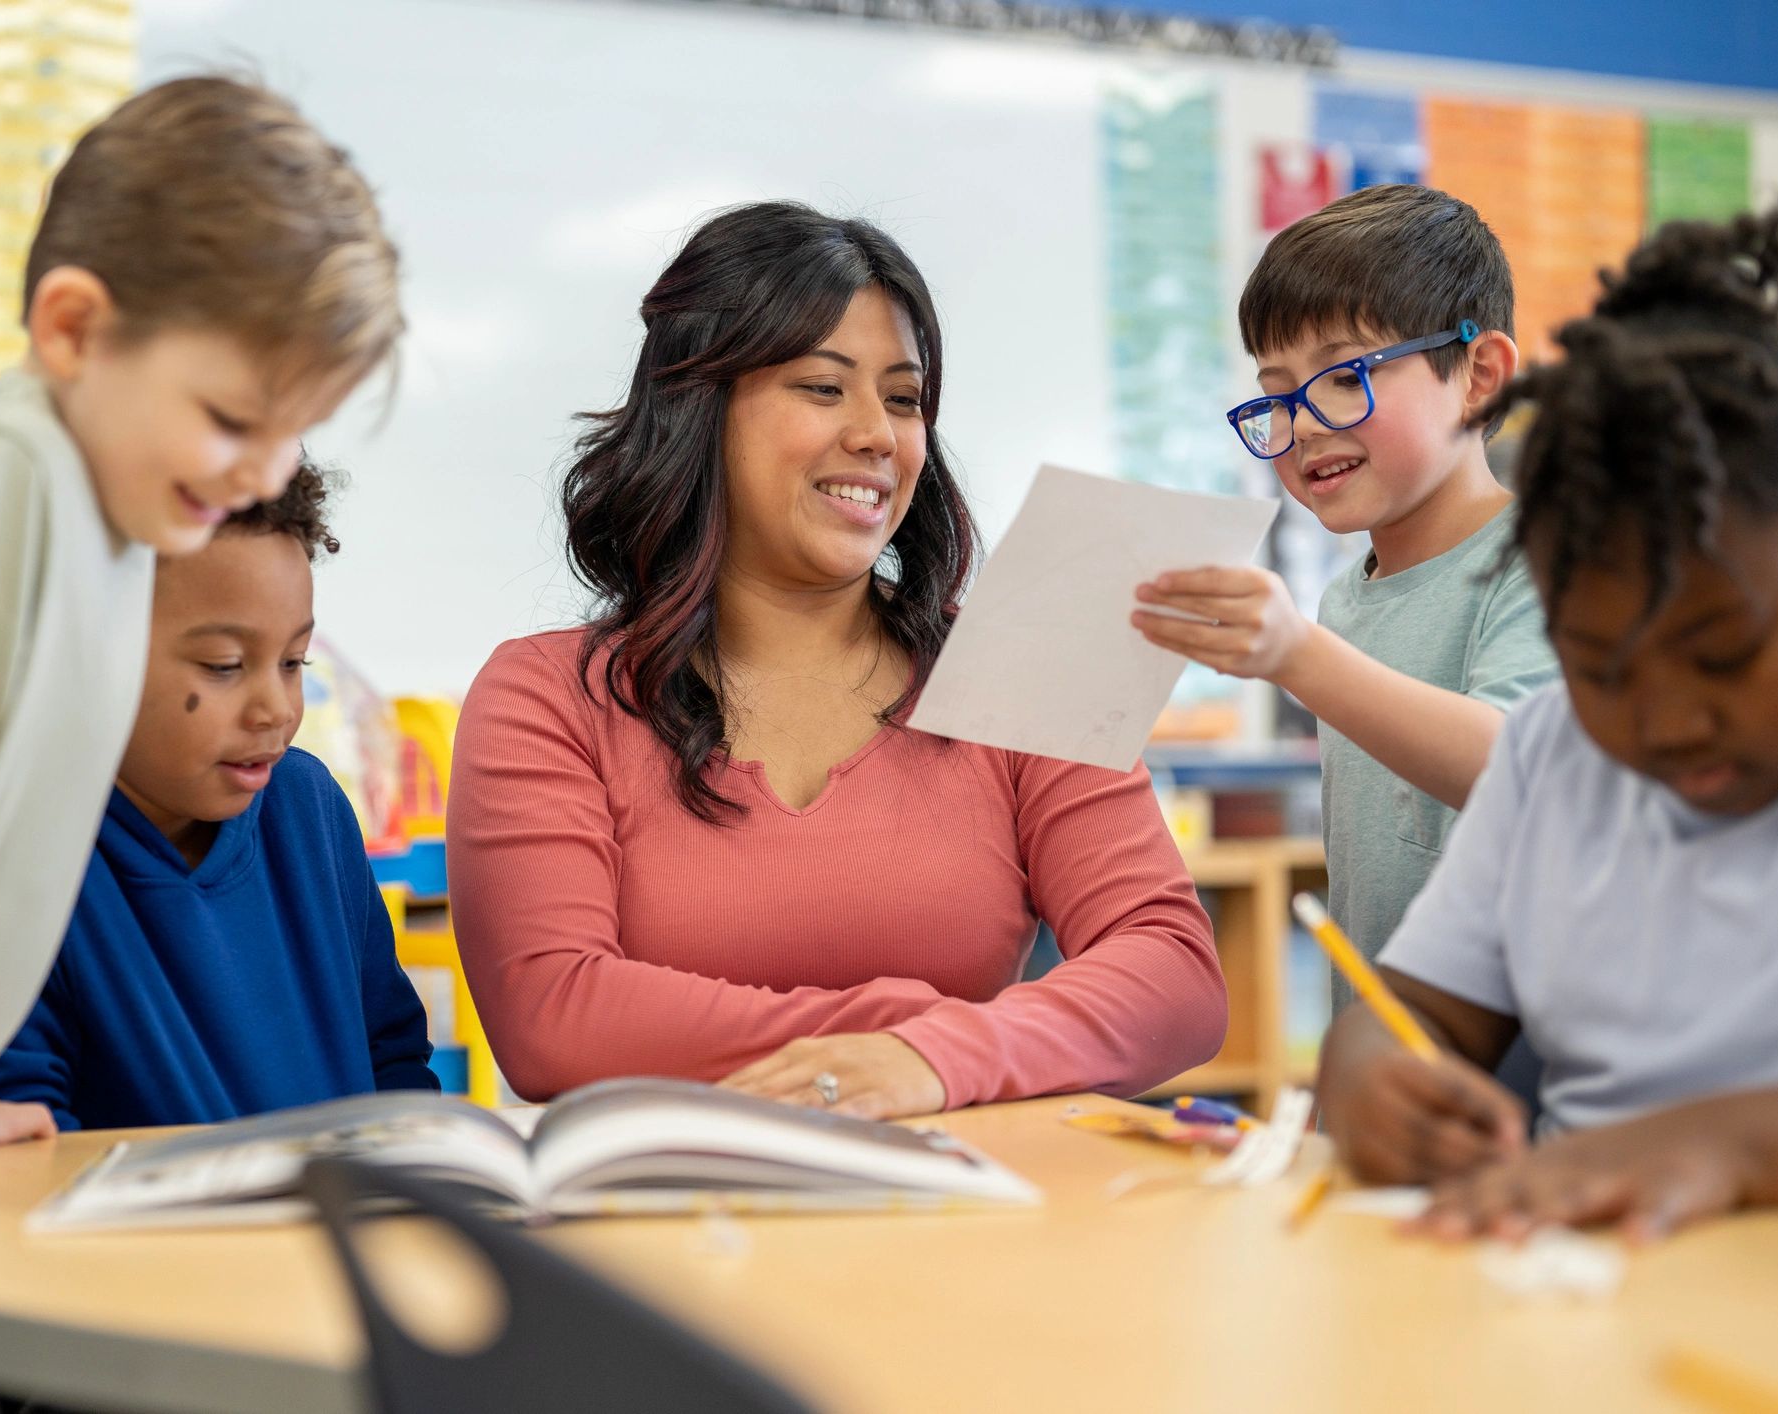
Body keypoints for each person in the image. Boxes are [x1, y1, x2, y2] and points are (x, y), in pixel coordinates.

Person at [0, 75, 401, 1412]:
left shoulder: (115, 519)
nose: (264, 471)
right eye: (231, 420)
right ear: (74, 328)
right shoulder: (8, 478)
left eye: (291, 434)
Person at [447, 202, 1224, 1120]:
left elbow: (1173, 976)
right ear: (700, 407)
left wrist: (936, 1056)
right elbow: (553, 1019)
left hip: (967, 1217)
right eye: (824, 388)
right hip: (664, 1226)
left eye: (902, 399)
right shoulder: (549, 695)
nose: (877, 436)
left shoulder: (1026, 661)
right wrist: (904, 1032)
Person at [1316, 201, 1778, 1241]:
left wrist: (1723, 1148)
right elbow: (1417, 1013)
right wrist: (1377, 1078)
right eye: (1599, 666)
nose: (1663, 719)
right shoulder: (1549, 757)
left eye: (1723, 653)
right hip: (1585, 1299)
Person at [1132, 185, 1557, 1005]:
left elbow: (1522, 766)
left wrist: (1297, 655)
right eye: (1277, 393)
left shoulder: (1550, 559)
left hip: (1518, 1097)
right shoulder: (1343, 603)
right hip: (1379, 1077)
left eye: (1343, 376)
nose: (1305, 425)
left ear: (1479, 376)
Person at [0, 458, 435, 1129]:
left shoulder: (307, 805)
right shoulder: (13, 853)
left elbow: (392, 1060)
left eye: (293, 663)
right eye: (225, 667)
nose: (275, 709)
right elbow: (22, 1138)